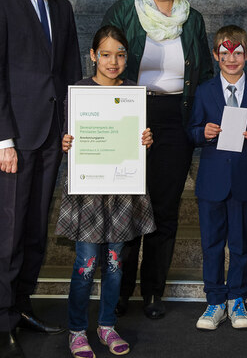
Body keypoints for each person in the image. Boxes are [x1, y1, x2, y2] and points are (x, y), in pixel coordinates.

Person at [0, 0, 82, 358]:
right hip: (15, 139)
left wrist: (77, 125)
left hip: (52, 136)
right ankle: (2, 322)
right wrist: (1, 139)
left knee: (36, 229)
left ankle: (22, 307)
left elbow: (72, 72)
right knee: (9, 233)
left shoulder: (61, 8)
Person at [101, 0, 213, 320]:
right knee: (128, 204)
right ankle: (118, 292)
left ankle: (152, 293)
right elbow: (105, 59)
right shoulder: (124, 12)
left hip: (176, 119)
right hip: (129, 115)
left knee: (165, 209)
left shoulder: (192, 19)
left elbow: (207, 75)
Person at [57, 25, 156, 358]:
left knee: (115, 263)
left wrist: (145, 140)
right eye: (106, 54)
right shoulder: (79, 92)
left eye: (120, 55)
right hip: (88, 191)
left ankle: (107, 325)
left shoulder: (133, 93)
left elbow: (137, 139)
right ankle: (76, 330)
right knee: (85, 264)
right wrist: (67, 142)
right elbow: (69, 136)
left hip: (121, 191)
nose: (113, 61)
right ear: (93, 56)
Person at [187, 25, 247, 331]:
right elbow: (193, 130)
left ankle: (237, 297)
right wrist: (203, 133)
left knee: (239, 243)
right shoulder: (205, 91)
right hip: (212, 179)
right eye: (225, 54)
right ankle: (214, 300)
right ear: (215, 55)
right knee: (211, 243)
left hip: (243, 179)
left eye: (237, 53)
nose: (232, 59)